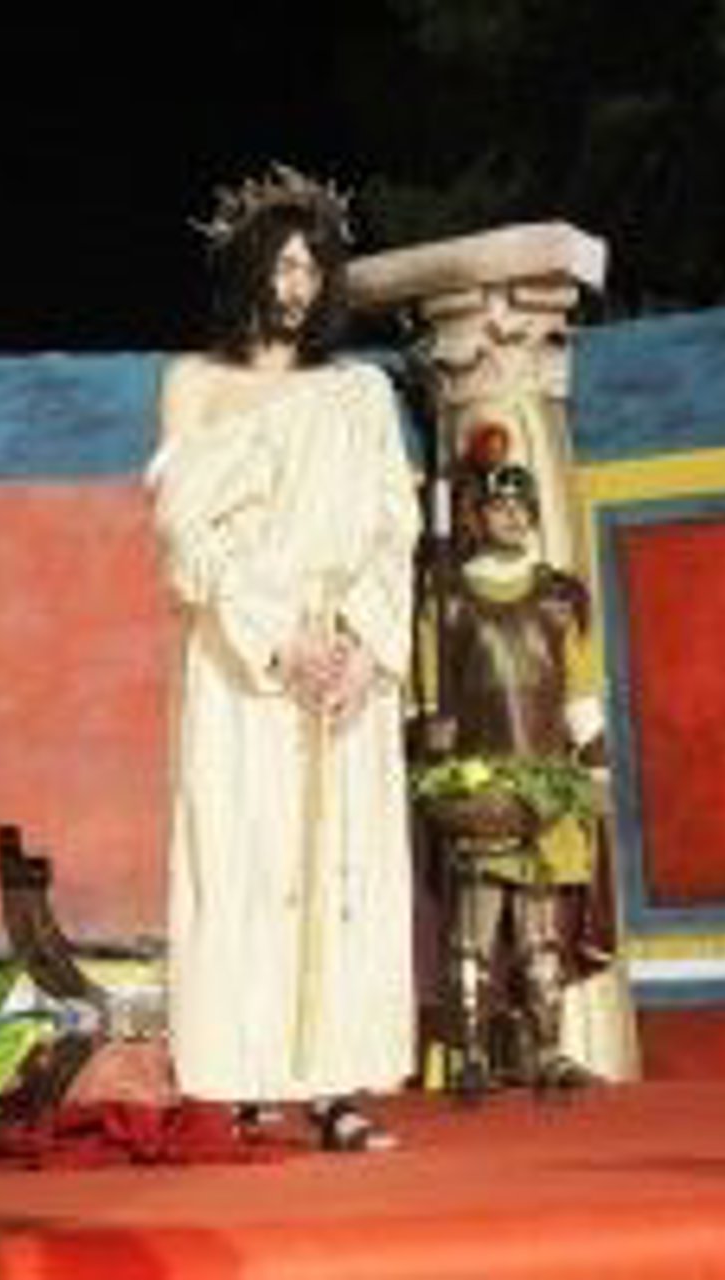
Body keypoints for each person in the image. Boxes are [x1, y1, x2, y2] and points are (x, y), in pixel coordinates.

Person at [147, 164, 421, 1151]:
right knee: (243, 854)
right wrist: (278, 636)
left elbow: (392, 526)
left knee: (342, 864)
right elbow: (186, 535)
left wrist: (363, 647)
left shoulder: (360, 393)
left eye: (312, 266)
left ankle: (335, 1083)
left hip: (345, 658)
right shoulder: (196, 384)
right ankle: (244, 1079)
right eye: (282, 264)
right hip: (242, 661)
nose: (297, 284)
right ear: (246, 269)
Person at [417, 445, 611, 1091]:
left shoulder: (559, 597)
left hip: (547, 783)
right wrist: (440, 776)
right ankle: (471, 1056)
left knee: (539, 928)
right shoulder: (448, 598)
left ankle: (548, 1052)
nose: (511, 516)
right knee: (472, 926)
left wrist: (596, 766)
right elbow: (430, 697)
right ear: (479, 515)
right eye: (498, 506)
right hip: (478, 783)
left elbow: (579, 691)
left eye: (521, 506)